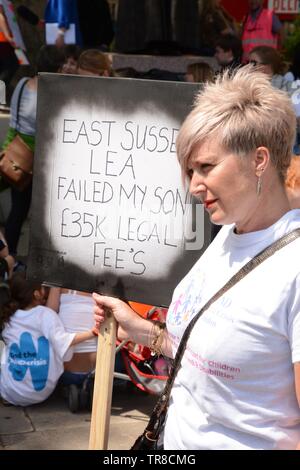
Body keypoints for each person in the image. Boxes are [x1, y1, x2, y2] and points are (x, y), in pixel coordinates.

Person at [94, 66, 300, 450]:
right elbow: (210, 357)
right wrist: (141, 331)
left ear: (259, 160)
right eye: (190, 171)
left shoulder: (294, 269)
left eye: (206, 167)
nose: (192, 187)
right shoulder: (228, 233)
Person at [2, 45, 65, 258]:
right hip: (37, 161)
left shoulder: (21, 83)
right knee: (39, 217)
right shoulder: (52, 94)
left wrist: (7, 147)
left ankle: (9, 259)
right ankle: (32, 261)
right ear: (57, 68)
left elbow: (14, 122)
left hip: (17, 156)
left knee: (17, 213)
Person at [0, 273, 97, 406]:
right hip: (41, 394)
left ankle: (16, 378)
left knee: (6, 348)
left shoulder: (9, 317)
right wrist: (93, 332)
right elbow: (63, 341)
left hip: (8, 393)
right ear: (37, 294)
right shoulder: (46, 314)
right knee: (49, 342)